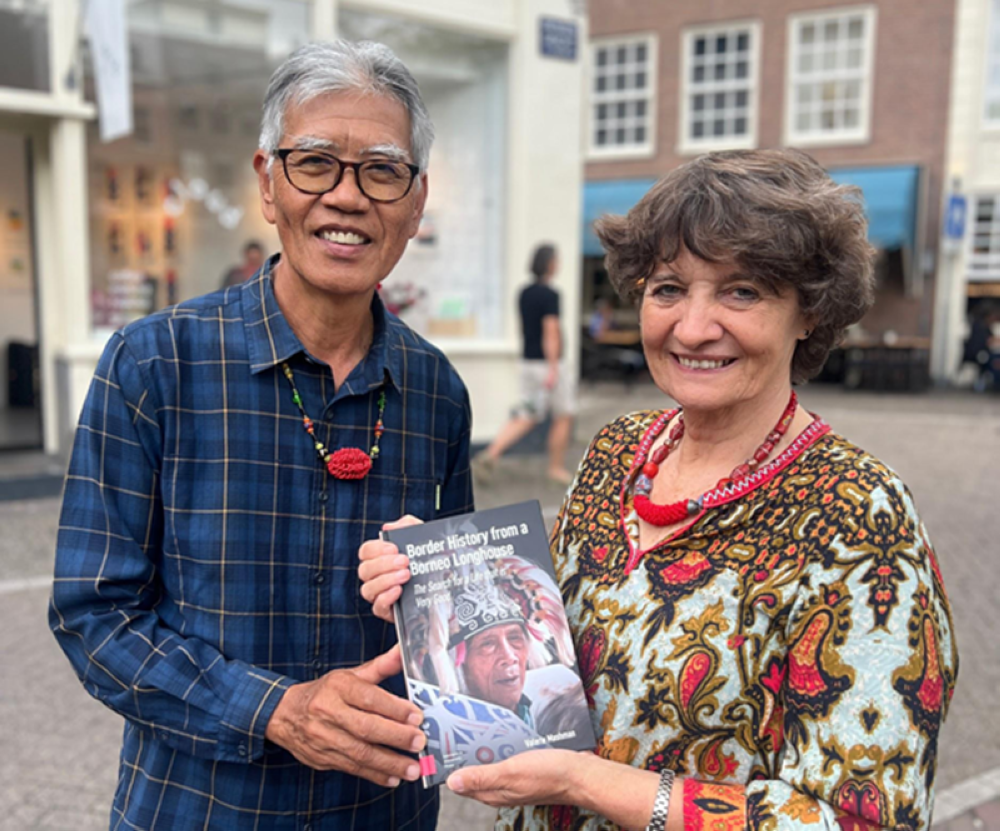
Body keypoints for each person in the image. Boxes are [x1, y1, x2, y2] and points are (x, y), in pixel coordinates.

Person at [360, 149, 958, 831]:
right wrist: (435, 569)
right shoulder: (619, 449)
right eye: (669, 287)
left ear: (810, 314)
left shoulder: (860, 517)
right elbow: (553, 624)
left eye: (743, 291)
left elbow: (863, 821)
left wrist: (583, 779)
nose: (694, 327)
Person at [49, 40, 473, 830]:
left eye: (382, 171)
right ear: (268, 184)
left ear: (415, 205)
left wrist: (456, 604)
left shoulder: (437, 392)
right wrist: (273, 709)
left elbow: (456, 627)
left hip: (380, 812)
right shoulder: (154, 363)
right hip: (198, 809)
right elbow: (93, 614)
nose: (347, 197)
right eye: (315, 162)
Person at [474, 243, 577, 485]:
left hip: (528, 363)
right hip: (548, 365)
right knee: (564, 415)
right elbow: (550, 331)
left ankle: (491, 453)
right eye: (557, 259)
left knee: (527, 415)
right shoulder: (551, 294)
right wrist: (553, 367)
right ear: (550, 263)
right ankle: (556, 468)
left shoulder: (524, 292)